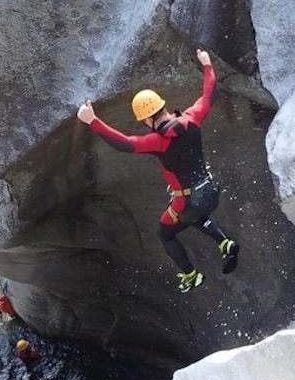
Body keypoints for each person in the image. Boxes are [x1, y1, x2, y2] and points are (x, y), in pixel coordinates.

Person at [76, 48, 239, 293]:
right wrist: (207, 64)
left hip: (187, 202)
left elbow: (125, 143)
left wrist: (92, 120)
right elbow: (209, 94)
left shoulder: (158, 141)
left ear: (147, 120)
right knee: (194, 217)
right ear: (163, 107)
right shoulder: (191, 119)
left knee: (165, 233)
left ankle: (190, 275)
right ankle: (224, 242)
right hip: (210, 192)